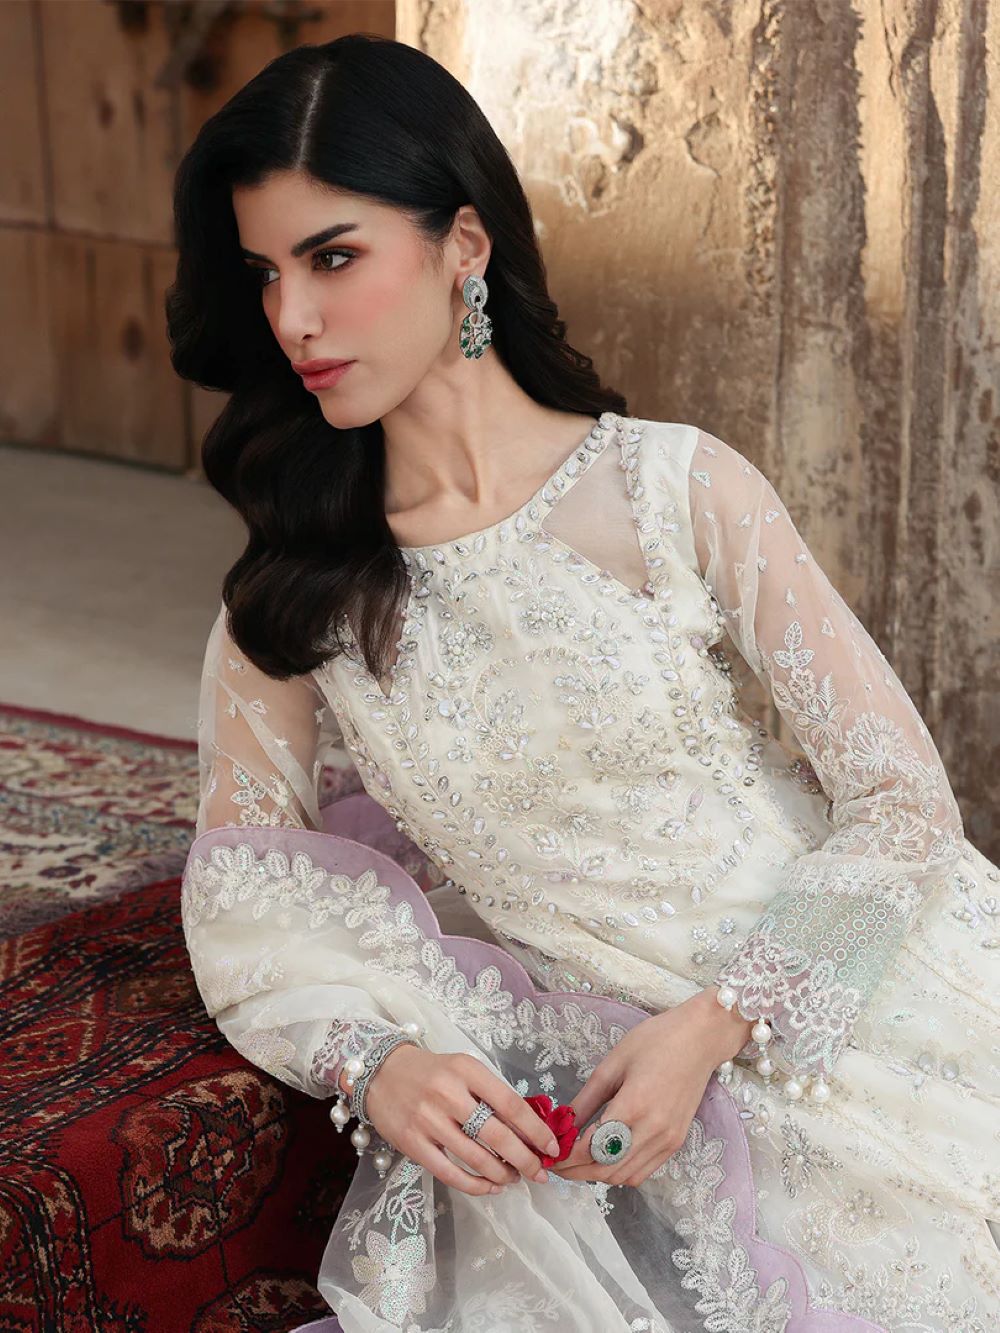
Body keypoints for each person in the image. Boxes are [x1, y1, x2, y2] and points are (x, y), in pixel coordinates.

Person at [170, 32, 1000, 1333]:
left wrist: (719, 1023)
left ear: (463, 244)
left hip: (856, 994)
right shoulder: (297, 596)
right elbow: (243, 887)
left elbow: (905, 804)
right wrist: (376, 1061)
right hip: (598, 1072)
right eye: (265, 274)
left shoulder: (676, 486)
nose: (291, 320)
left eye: (332, 258)